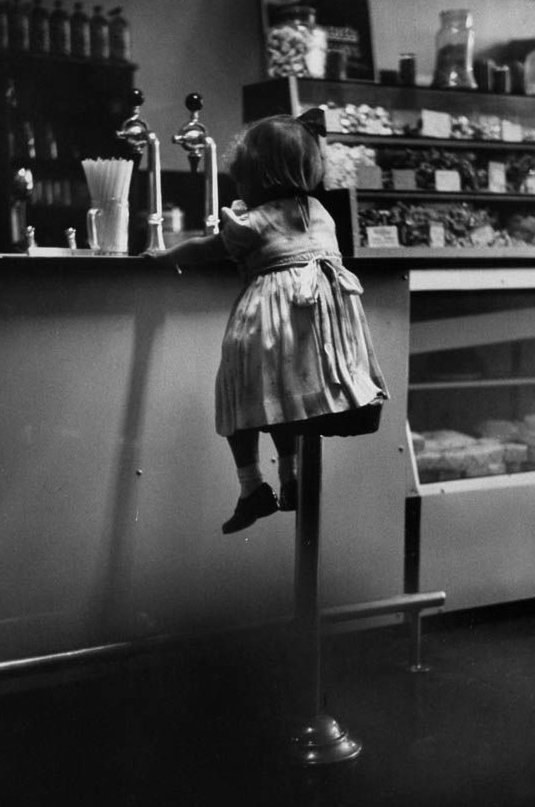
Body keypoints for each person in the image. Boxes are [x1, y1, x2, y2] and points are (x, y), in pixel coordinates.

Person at [148, 108, 388, 534]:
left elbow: (210, 247)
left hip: (271, 321)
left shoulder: (256, 220)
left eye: (241, 178)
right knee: (286, 401)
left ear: (259, 178)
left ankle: (251, 486)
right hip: (326, 345)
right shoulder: (321, 213)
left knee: (241, 393)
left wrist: (168, 256)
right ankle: (291, 478)